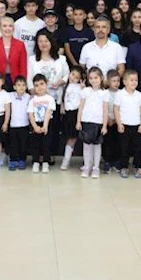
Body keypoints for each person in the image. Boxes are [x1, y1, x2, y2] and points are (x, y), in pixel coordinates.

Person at [27, 30, 69, 162]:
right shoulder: (32, 60)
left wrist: (60, 82)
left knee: (53, 128)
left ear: (51, 42)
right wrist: (34, 93)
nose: (43, 44)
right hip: (38, 102)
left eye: (46, 41)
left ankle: (50, 154)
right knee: (37, 129)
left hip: (54, 99)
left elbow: (67, 75)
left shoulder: (61, 59)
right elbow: (29, 79)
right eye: (40, 41)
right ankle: (38, 155)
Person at [76, 67, 109, 179]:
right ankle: (87, 166)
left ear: (101, 78)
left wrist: (104, 126)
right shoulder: (85, 91)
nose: (93, 80)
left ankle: (96, 168)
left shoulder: (104, 93)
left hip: (98, 122)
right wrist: (78, 121)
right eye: (91, 78)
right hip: (86, 121)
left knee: (97, 146)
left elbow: (105, 110)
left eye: (96, 78)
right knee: (86, 146)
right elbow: (81, 107)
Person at [114, 70, 141, 179]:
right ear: (124, 82)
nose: (134, 82)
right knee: (124, 148)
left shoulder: (139, 95)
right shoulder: (120, 94)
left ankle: (138, 167)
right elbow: (116, 109)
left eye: (136, 80)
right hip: (124, 125)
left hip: (136, 126)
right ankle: (124, 167)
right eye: (131, 80)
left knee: (138, 148)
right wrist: (119, 124)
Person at [0, 16, 28, 90]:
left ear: (13, 28)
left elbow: (23, 67)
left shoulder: (20, 45)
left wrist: (23, 84)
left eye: (10, 26)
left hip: (15, 80)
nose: (7, 28)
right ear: (0, 28)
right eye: (4, 26)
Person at [27, 73, 56, 174]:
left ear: (46, 84)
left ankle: (45, 162)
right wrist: (35, 126)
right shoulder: (32, 100)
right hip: (35, 123)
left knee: (46, 144)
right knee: (35, 144)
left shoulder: (50, 99)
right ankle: (35, 161)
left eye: (42, 84)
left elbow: (48, 112)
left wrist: (45, 126)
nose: (39, 87)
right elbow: (30, 114)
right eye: (36, 85)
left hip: (47, 123)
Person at [60, 67, 84, 171]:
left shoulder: (80, 87)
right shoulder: (66, 85)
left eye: (76, 77)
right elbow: (63, 98)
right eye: (72, 74)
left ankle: (86, 162)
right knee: (70, 138)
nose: (73, 78)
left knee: (75, 138)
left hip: (77, 113)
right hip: (67, 114)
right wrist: (62, 105)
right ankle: (66, 160)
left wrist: (83, 87)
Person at [8, 76, 31, 171]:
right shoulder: (10, 96)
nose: (21, 87)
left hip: (24, 124)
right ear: (14, 87)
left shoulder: (28, 97)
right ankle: (13, 160)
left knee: (23, 144)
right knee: (13, 144)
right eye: (18, 85)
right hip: (13, 125)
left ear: (26, 87)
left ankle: (22, 160)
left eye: (23, 85)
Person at [103, 69, 122, 173]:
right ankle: (107, 161)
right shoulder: (104, 93)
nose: (116, 83)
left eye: (118, 81)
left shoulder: (122, 93)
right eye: (113, 81)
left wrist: (116, 120)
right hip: (107, 121)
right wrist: (108, 119)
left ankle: (117, 161)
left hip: (118, 122)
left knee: (118, 142)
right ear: (108, 81)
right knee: (107, 142)